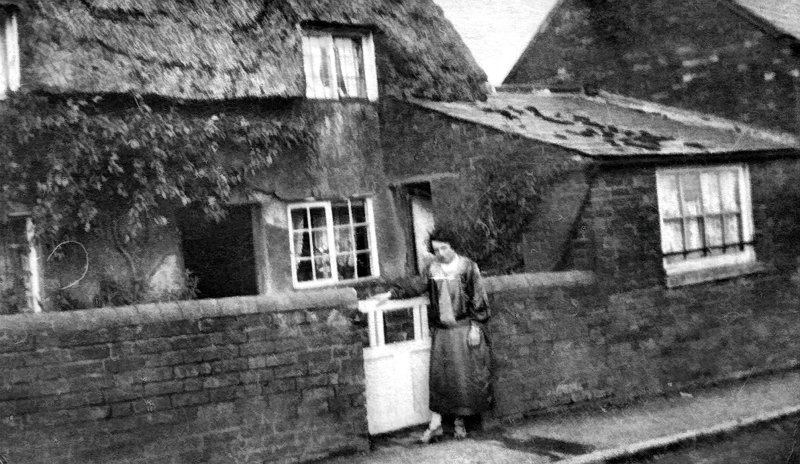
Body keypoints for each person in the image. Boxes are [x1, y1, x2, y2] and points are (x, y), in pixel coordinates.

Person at [376, 227, 493, 442]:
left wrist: (476, 327)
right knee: (444, 379)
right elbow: (416, 285)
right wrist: (392, 294)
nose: (440, 253)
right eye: (436, 249)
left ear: (453, 247)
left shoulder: (468, 267)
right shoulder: (432, 269)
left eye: (444, 248)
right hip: (443, 332)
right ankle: (444, 424)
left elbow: (478, 298)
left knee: (465, 379)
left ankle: (463, 423)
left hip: (464, 329)